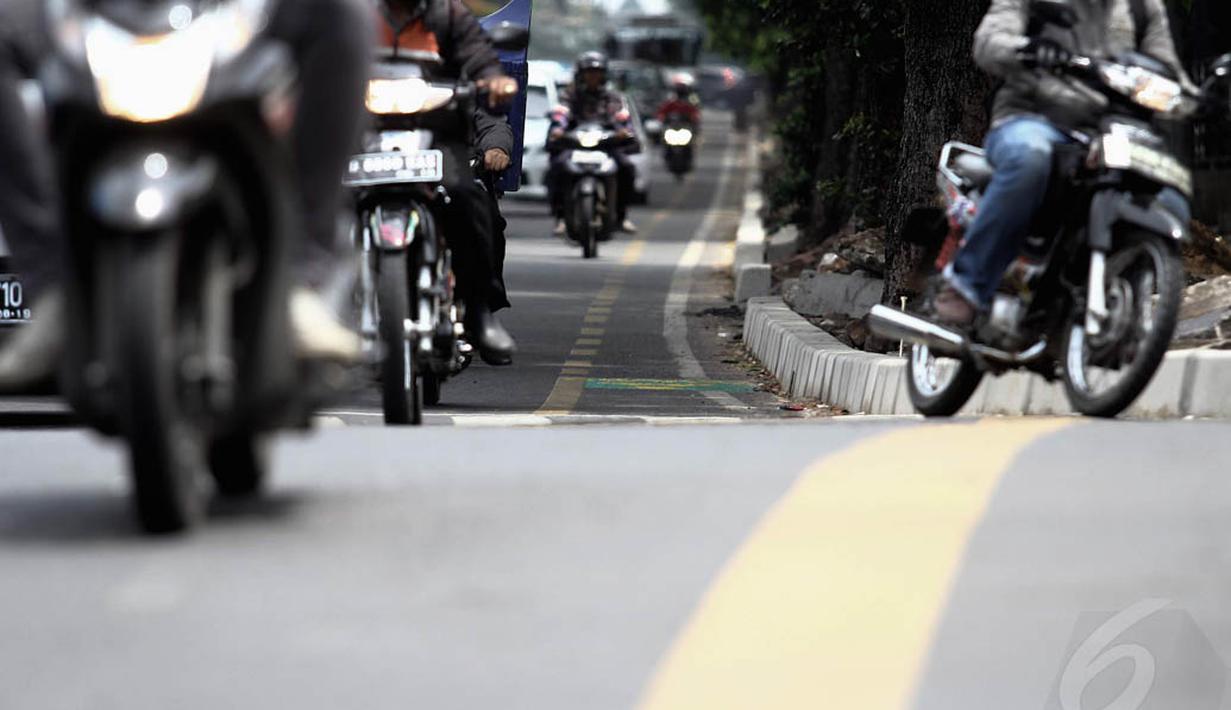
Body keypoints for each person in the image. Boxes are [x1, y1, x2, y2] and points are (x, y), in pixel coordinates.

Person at [0, 0, 376, 390]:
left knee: (346, 15)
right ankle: (53, 290)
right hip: (102, 24)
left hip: (232, 22)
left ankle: (304, 282)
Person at [937, 0, 1192, 326]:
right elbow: (988, 42)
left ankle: (1125, 317)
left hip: (1109, 132)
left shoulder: (1143, 7)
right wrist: (1028, 49)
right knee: (1030, 159)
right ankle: (966, 285)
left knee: (1169, 200)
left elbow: (1167, 72)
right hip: (1032, 119)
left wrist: (1202, 99)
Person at [377, 0, 520, 365]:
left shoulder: (450, 16)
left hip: (437, 140)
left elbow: (481, 61)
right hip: (366, 138)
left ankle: (479, 312)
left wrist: (495, 81)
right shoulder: (353, 13)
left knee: (468, 199)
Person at [548, 51, 640, 237]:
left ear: (603, 75)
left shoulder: (614, 98)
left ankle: (621, 216)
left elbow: (623, 118)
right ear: (581, 74)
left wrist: (624, 131)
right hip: (574, 145)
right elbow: (560, 115)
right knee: (556, 168)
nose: (593, 76)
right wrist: (558, 130)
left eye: (597, 72)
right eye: (589, 72)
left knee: (627, 167)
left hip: (606, 146)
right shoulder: (569, 96)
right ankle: (560, 217)